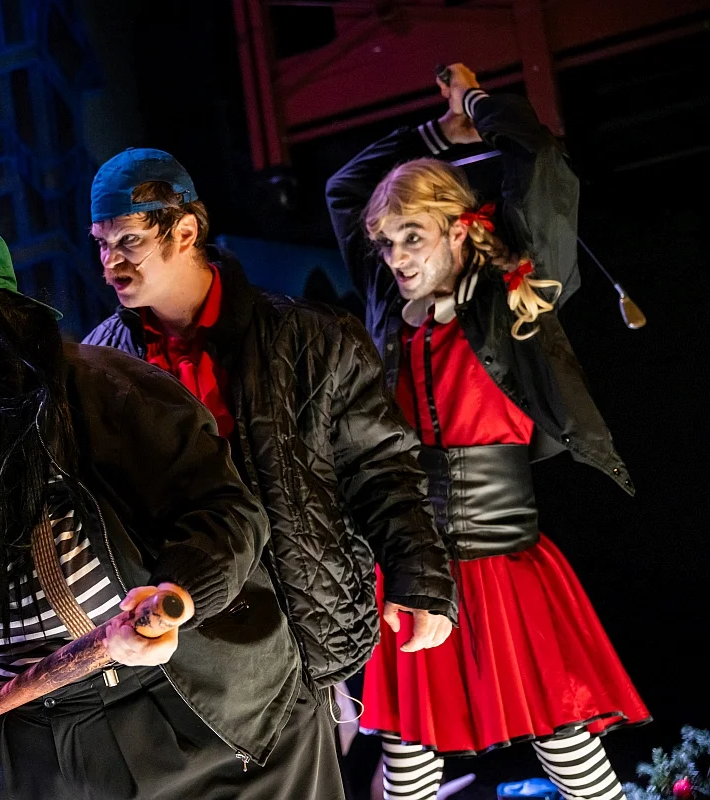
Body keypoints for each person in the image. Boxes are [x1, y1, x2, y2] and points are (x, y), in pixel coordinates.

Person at [0, 222, 332, 799]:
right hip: (27, 740)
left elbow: (224, 514)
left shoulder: (104, 392)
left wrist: (172, 598)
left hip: (184, 724)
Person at [82, 149, 459, 798]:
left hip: (290, 631)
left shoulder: (309, 337)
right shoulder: (98, 367)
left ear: (185, 232)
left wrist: (418, 573)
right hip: (172, 654)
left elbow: (381, 468)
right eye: (101, 243)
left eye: (130, 241)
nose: (111, 261)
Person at [325, 63, 650, 800]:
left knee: (565, 740)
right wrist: (432, 134)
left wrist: (474, 105)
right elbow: (344, 189)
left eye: (412, 238)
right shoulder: (390, 305)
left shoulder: (513, 292)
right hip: (414, 563)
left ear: (459, 229)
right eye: (386, 244)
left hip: (503, 559)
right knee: (409, 754)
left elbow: (541, 158)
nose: (396, 259)